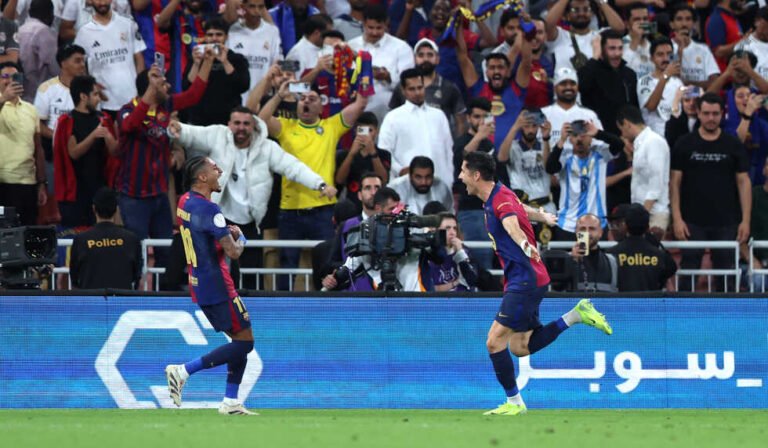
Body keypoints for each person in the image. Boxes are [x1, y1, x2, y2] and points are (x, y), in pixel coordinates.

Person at [457, 150, 612, 416]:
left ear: (476, 175)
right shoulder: (499, 193)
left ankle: (515, 404)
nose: (460, 176)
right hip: (527, 277)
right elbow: (519, 208)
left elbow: (511, 224)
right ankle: (577, 315)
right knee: (520, 346)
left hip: (524, 280)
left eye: (463, 170)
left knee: (494, 342)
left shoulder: (501, 200)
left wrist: (524, 243)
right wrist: (542, 217)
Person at [168, 106, 330, 289]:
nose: (241, 127)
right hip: (219, 218)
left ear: (254, 126)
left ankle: (248, 312)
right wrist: (178, 130)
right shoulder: (218, 135)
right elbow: (193, 134)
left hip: (249, 224)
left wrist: (319, 184)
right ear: (229, 124)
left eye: (246, 123)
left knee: (252, 276)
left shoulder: (267, 148)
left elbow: (293, 167)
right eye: (237, 123)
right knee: (214, 267)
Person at [165, 156, 256, 416]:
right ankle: (183, 371)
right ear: (202, 178)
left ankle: (230, 402)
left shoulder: (185, 201)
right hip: (218, 284)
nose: (221, 171)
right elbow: (234, 252)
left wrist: (221, 232)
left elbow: (199, 231)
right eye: (215, 169)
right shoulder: (211, 211)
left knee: (239, 339)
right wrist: (240, 238)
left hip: (199, 282)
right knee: (245, 343)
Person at [258, 80, 366, 290]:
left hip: (323, 209)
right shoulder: (286, 127)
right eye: (302, 98)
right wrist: (280, 95)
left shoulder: (330, 126)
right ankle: (283, 310)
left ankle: (325, 306)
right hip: (290, 210)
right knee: (286, 266)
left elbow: (360, 104)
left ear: (321, 106)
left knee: (327, 262)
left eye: (312, 99)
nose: (306, 102)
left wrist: (361, 73)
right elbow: (260, 121)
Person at [115, 59, 211, 259]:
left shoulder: (165, 106)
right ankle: (135, 290)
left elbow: (194, 95)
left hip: (159, 194)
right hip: (133, 196)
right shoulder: (126, 110)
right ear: (149, 87)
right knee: (135, 254)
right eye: (162, 83)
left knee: (166, 252)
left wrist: (208, 61)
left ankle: (165, 290)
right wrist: (151, 90)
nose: (167, 86)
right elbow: (129, 126)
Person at [671, 93, 751, 292]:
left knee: (727, 274)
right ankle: (682, 316)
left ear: (722, 114)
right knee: (689, 269)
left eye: (715, 113)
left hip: (727, 220)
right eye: (706, 113)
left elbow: (744, 181)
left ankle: (728, 318)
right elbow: (674, 182)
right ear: (698, 113)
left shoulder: (733, 144)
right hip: (691, 220)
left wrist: (746, 220)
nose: (711, 118)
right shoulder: (684, 143)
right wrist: (677, 218)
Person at [53, 75, 117, 230]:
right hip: (76, 192)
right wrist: (93, 136)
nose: (98, 99)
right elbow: (73, 152)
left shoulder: (103, 119)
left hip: (100, 188)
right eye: (95, 94)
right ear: (83, 96)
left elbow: (115, 152)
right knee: (75, 236)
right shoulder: (68, 121)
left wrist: (108, 136)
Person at [457, 18, 531, 148]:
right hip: (485, 156)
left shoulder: (517, 89)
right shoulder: (478, 89)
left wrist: (527, 27)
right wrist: (457, 26)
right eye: (492, 68)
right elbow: (463, 57)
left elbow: (526, 60)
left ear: (508, 71)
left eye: (501, 67)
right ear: (486, 71)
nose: (496, 71)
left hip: (513, 157)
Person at [545, 119, 624, 240]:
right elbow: (550, 168)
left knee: (594, 259)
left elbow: (619, 144)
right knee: (571, 258)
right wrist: (561, 141)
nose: (579, 139)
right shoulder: (564, 156)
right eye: (575, 135)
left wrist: (598, 133)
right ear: (570, 139)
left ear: (591, 138)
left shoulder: (600, 155)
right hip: (568, 225)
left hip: (596, 225)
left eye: (583, 135)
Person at [378, 68, 453, 184]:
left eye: (420, 87)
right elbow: (384, 151)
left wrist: (449, 180)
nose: (417, 93)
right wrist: (399, 170)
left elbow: (448, 151)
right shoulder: (393, 117)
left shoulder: (439, 116)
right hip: (405, 183)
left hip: (438, 183)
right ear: (403, 90)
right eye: (412, 89)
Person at [73, 0, 146, 117]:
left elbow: (139, 58)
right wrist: (91, 85)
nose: (102, 3)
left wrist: (142, 90)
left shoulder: (128, 24)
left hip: (132, 98)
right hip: (104, 103)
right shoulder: (84, 33)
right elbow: (78, 65)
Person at [0, 62, 48, 226]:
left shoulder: (31, 109)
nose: (9, 81)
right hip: (3, 182)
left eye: (14, 77)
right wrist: (4, 98)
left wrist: (41, 183)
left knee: (27, 233)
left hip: (28, 183)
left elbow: (38, 148)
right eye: (5, 76)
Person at [348, 4, 414, 121]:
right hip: (354, 112)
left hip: (390, 113)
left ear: (386, 23)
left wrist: (388, 78)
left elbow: (409, 82)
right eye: (370, 27)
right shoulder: (351, 47)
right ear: (363, 23)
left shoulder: (401, 48)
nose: (374, 32)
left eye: (379, 28)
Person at [388, 38, 466, 137]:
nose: (425, 59)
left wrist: (456, 148)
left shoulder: (449, 87)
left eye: (430, 55)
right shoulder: (402, 87)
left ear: (437, 59)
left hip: (439, 143)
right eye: (421, 55)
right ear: (415, 59)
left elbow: (461, 122)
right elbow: (392, 117)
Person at [69, 187, 141, 289]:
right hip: (122, 302)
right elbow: (137, 276)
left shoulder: (80, 240)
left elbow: (74, 278)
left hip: (91, 302)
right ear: (116, 209)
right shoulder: (132, 239)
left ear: (94, 208)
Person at [182, 17, 250, 126]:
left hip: (227, 122)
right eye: (210, 35)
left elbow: (243, 86)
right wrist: (196, 64)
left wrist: (225, 61)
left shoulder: (237, 59)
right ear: (205, 37)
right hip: (199, 121)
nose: (214, 39)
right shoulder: (196, 58)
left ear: (226, 37)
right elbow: (187, 87)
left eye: (219, 35)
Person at [616, 105, 670, 237]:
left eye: (621, 128)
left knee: (650, 256)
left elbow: (655, 183)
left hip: (652, 214)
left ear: (627, 124)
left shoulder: (653, 142)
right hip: (642, 214)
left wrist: (641, 216)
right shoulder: (641, 144)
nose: (621, 134)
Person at [578, 30, 639, 136]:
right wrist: (595, 56)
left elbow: (634, 108)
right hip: (597, 136)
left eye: (620, 48)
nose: (617, 54)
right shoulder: (591, 71)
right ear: (601, 50)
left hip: (625, 138)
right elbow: (583, 85)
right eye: (612, 48)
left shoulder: (629, 74)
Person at [498, 108, 555, 216]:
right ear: (521, 127)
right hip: (522, 208)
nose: (531, 131)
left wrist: (546, 138)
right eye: (527, 126)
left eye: (534, 126)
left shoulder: (546, 145)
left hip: (546, 208)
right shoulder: (513, 147)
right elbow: (501, 158)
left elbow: (548, 167)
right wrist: (515, 127)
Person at [607, 204, 677, 292]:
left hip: (623, 303)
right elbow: (671, 268)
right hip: (650, 303)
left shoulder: (612, 253)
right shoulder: (659, 254)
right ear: (647, 227)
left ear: (626, 226)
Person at [225, 0, 283, 104]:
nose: (256, 11)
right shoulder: (232, 31)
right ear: (243, 7)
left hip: (263, 97)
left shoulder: (272, 31)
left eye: (260, 7)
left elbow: (277, 64)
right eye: (252, 6)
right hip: (236, 97)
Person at [544, 0, 625, 72]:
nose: (581, 13)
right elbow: (547, 25)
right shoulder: (559, 36)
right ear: (566, 15)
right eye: (575, 10)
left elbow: (619, 29)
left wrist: (600, 1)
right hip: (566, 87)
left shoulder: (599, 36)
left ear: (592, 13)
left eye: (586, 9)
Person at [334, 111, 391, 210]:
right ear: (355, 131)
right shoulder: (344, 155)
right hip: (351, 206)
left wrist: (373, 153)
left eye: (370, 130)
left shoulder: (384, 154)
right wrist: (351, 154)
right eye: (362, 130)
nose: (366, 135)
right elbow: (339, 180)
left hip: (377, 205)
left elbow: (384, 180)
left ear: (376, 132)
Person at [541, 67, 603, 149]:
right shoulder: (543, 114)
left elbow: (600, 145)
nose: (568, 87)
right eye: (563, 84)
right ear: (555, 88)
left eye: (572, 83)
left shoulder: (589, 115)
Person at [637, 37, 685, 136]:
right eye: (660, 55)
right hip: (653, 136)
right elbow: (651, 106)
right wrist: (665, 76)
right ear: (651, 58)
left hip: (675, 136)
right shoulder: (644, 81)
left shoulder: (678, 83)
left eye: (669, 54)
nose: (666, 59)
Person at [670, 6, 720, 90]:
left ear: (693, 23)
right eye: (679, 19)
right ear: (671, 24)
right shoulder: (665, 47)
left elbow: (714, 82)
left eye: (688, 19)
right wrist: (680, 51)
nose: (684, 24)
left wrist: (687, 83)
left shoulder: (703, 49)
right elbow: (671, 80)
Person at [17, 0, 58, 103]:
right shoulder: (44, 32)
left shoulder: (20, 29)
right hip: (37, 93)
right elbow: (55, 68)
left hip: (20, 91)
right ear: (49, 13)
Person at [567, 213, 618, 292]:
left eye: (592, 229)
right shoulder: (566, 260)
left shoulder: (611, 262)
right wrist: (572, 262)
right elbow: (558, 290)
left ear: (600, 232)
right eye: (583, 229)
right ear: (576, 232)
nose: (587, 233)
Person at [428, 212, 478, 292]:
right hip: (438, 302)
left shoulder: (465, 251)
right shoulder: (429, 254)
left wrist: (460, 253)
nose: (452, 233)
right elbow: (431, 289)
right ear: (436, 231)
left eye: (454, 228)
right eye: (447, 228)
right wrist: (455, 283)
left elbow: (472, 281)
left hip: (464, 301)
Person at [388, 156, 454, 214]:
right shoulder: (396, 188)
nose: (424, 182)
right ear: (410, 176)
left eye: (428, 177)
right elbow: (392, 214)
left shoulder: (441, 186)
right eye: (418, 177)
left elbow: (448, 213)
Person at [706, 0, 746, 71]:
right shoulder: (717, 19)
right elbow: (718, 52)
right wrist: (744, 41)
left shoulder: (732, 17)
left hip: (736, 74)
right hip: (723, 76)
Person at [622, 3, 654, 80]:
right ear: (627, 24)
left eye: (645, 19)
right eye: (637, 19)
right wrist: (636, 39)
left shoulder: (653, 46)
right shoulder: (620, 44)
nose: (642, 23)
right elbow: (621, 71)